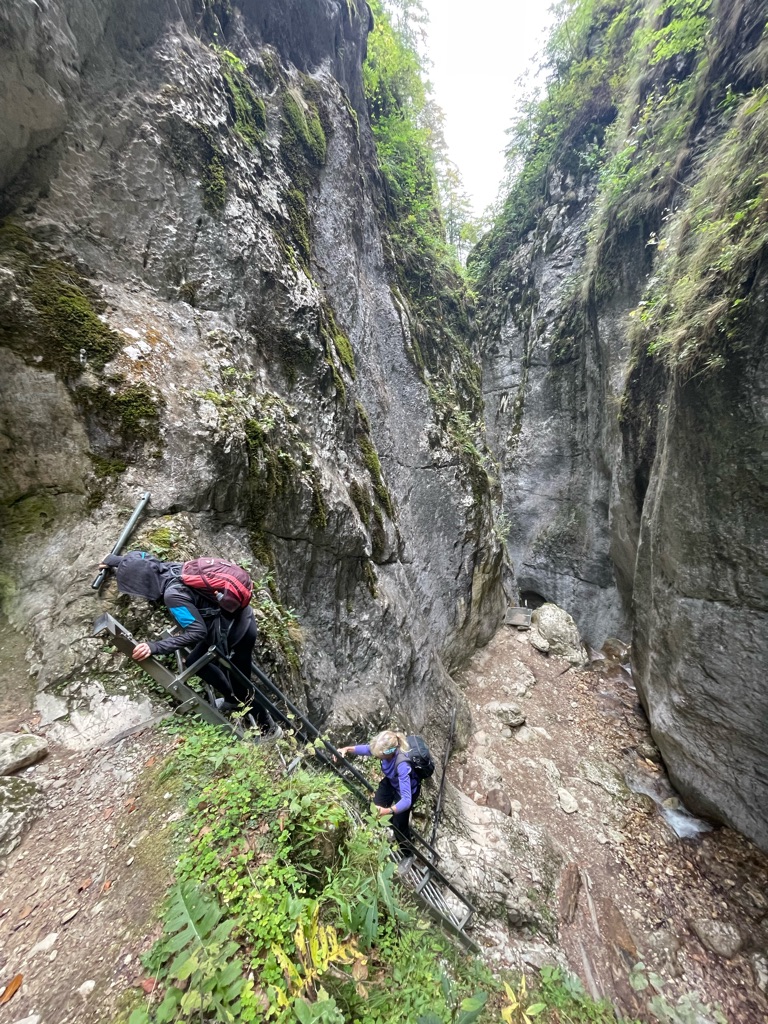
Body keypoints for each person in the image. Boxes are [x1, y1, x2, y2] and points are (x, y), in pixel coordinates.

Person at [99, 551, 277, 735]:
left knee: (241, 686)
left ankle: (269, 729)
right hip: (237, 620)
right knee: (194, 662)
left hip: (236, 635)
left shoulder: (172, 596)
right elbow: (142, 563)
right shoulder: (171, 568)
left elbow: (197, 632)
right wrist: (114, 561)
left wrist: (155, 647)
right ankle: (231, 700)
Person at [337, 730, 420, 869]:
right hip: (392, 782)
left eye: (379, 755)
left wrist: (388, 810)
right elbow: (367, 749)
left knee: (400, 826)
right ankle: (390, 823)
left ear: (389, 752)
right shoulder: (384, 750)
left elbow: (406, 800)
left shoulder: (402, 765)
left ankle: (408, 855)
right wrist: (346, 749)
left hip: (407, 792)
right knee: (375, 808)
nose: (377, 756)